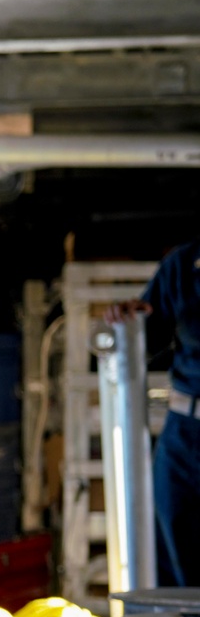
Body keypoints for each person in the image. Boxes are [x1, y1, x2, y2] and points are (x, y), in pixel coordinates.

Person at [106, 242, 200, 586]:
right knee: (175, 554)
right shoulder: (184, 264)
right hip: (186, 431)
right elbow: (147, 332)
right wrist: (127, 319)